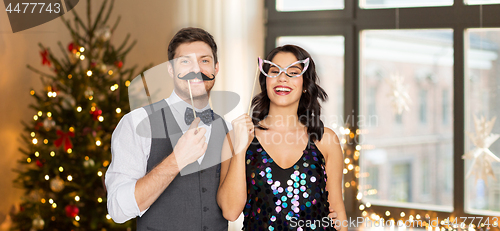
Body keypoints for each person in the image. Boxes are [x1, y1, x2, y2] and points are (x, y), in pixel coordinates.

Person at [105, 27, 230, 231]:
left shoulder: (229, 129)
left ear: (216, 68)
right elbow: (118, 210)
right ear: (171, 70)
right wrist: (176, 160)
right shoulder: (137, 122)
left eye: (204, 61)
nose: (196, 69)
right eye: (185, 61)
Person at [217, 45, 346, 230]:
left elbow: (338, 212)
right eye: (275, 71)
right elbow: (230, 212)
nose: (282, 78)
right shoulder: (236, 137)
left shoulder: (325, 140)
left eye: (293, 72)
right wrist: (240, 148)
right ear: (265, 82)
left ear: (304, 85)